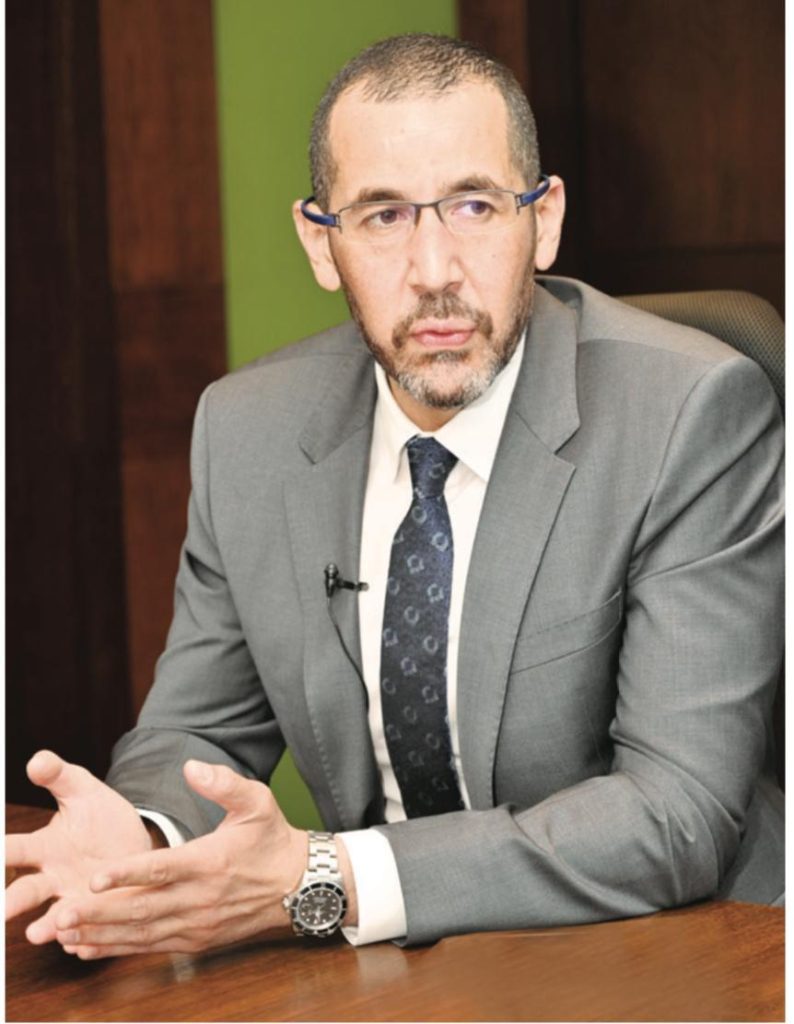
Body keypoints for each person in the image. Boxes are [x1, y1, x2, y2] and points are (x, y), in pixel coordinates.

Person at [6, 33, 784, 958]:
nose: (435, 270)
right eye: (382, 216)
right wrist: (141, 841)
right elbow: (199, 731)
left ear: (544, 221)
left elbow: (676, 814)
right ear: (321, 242)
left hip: (669, 950)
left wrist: (325, 878)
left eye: (474, 206)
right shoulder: (248, 429)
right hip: (387, 975)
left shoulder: (688, 413)